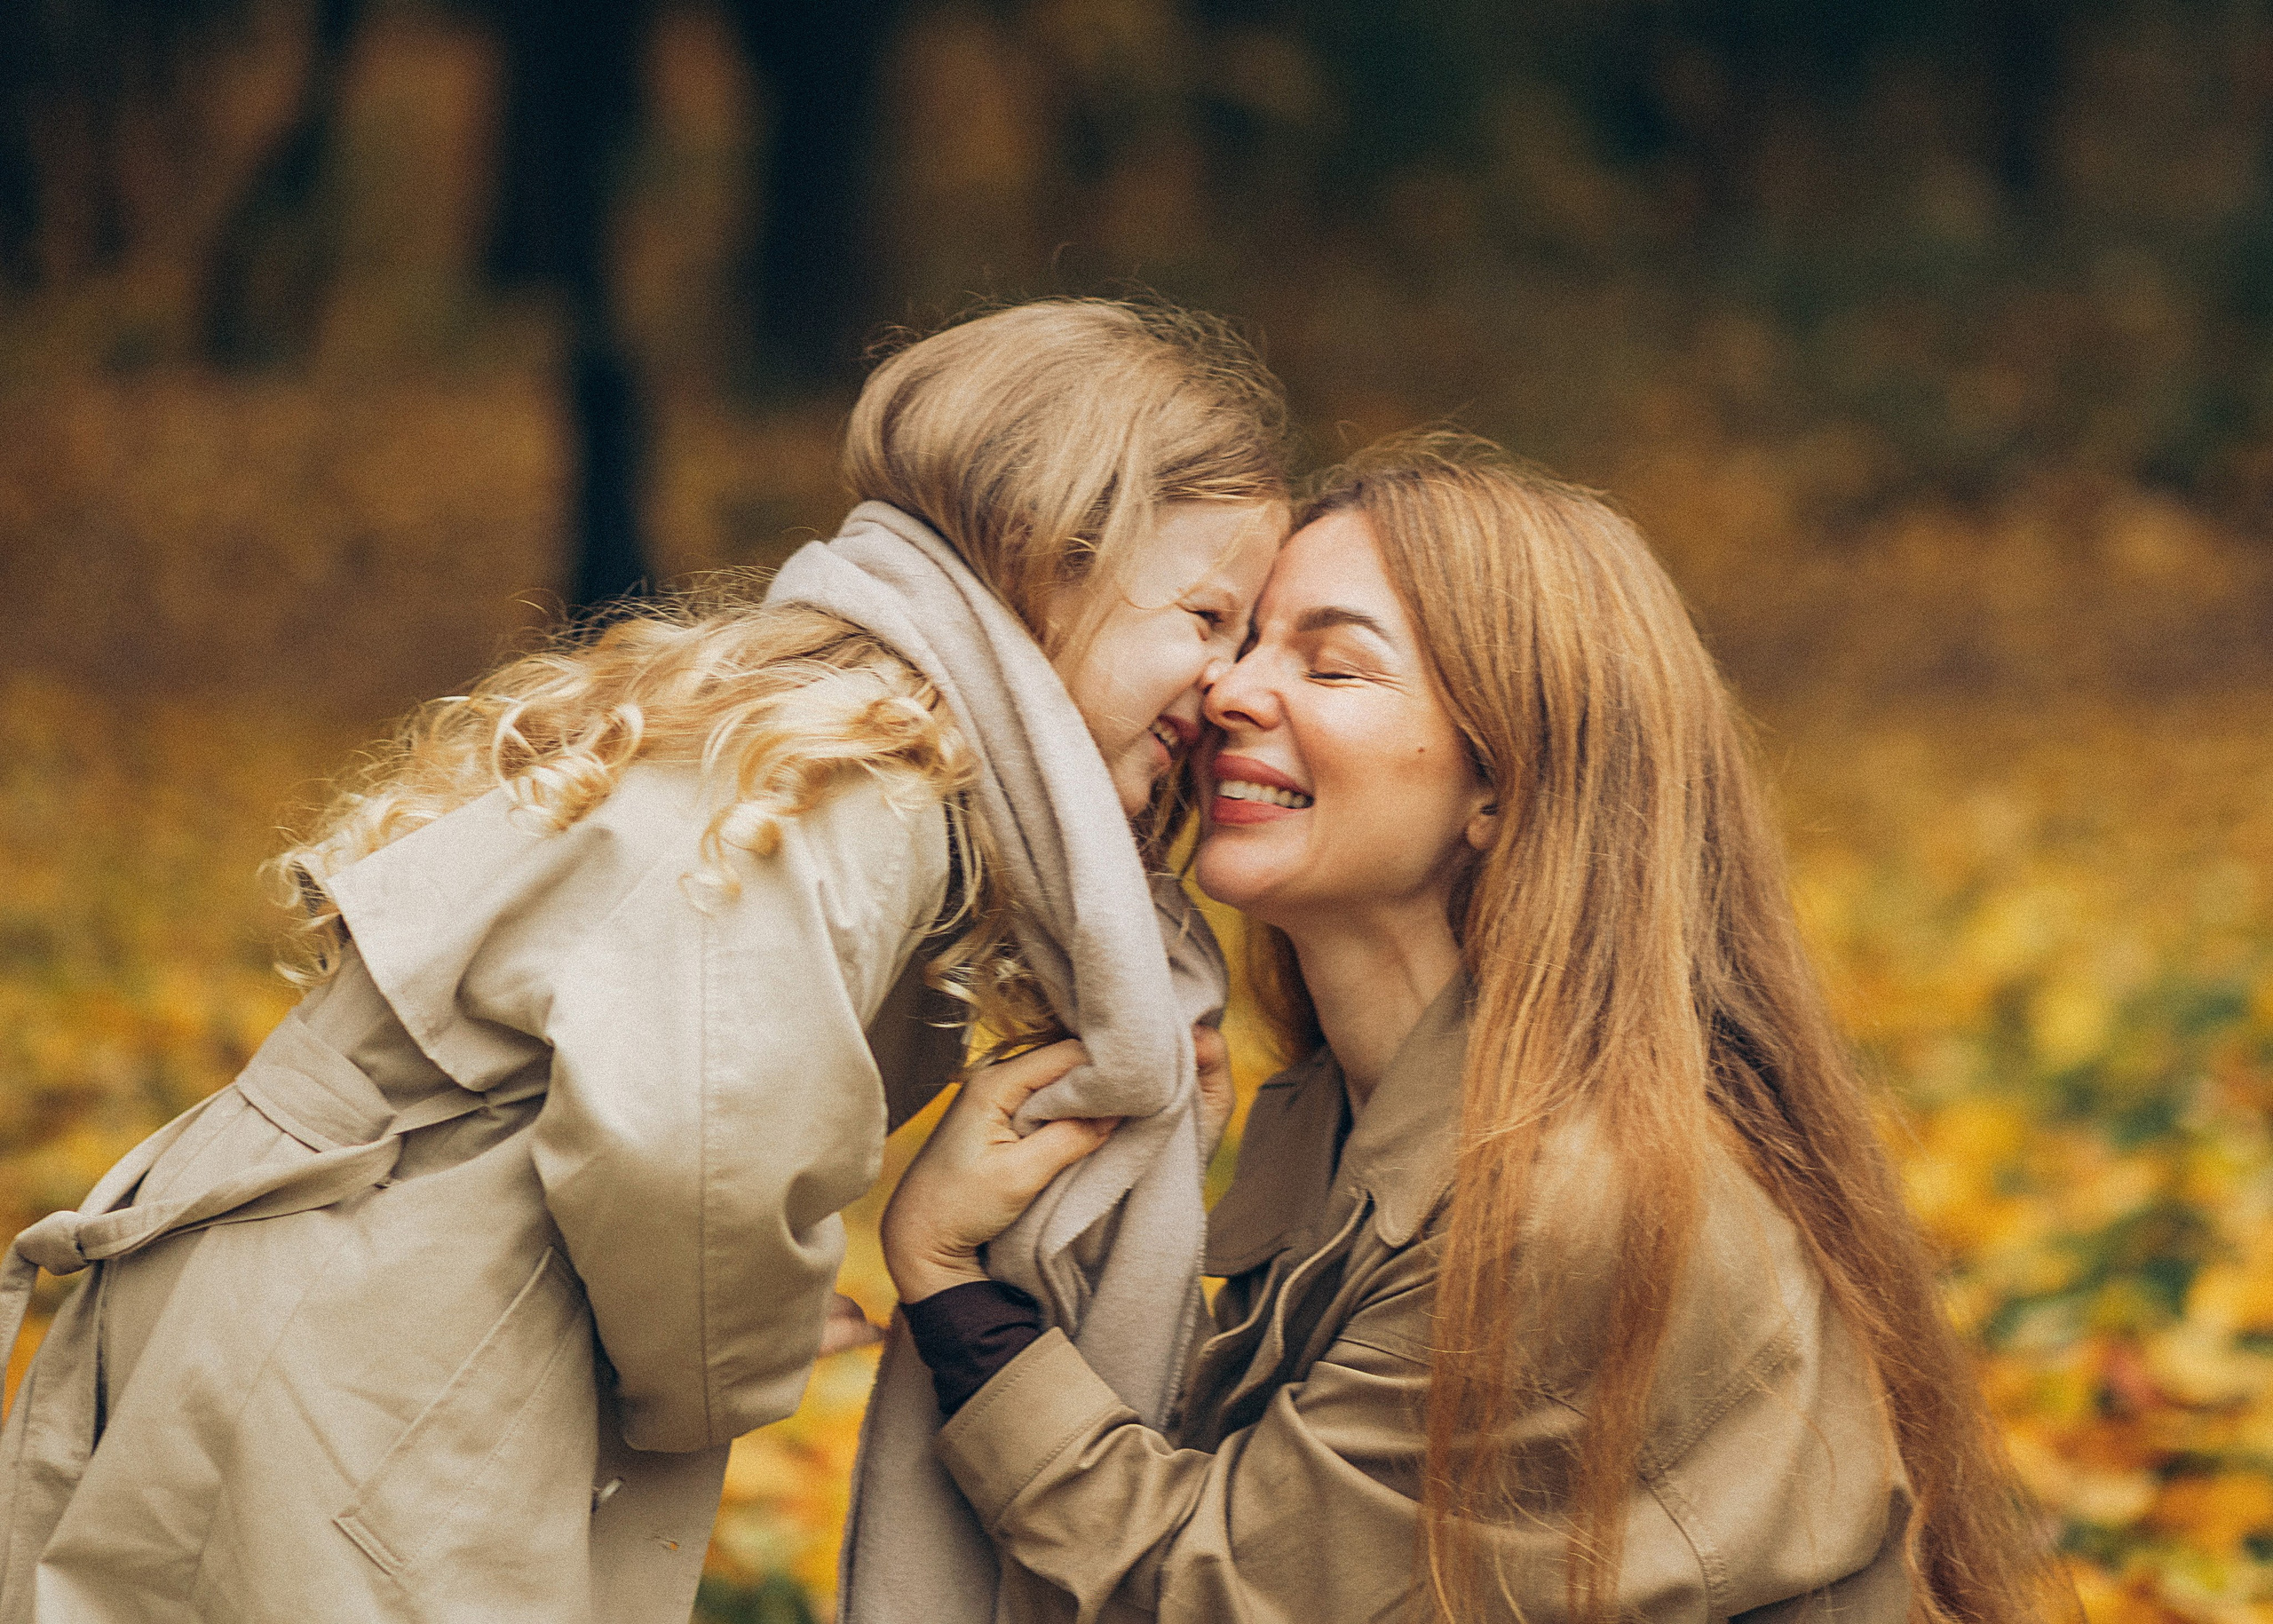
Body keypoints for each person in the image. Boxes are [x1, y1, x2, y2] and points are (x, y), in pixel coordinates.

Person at [0, 297, 1285, 1624]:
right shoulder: (870, 787)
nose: (1228, 682)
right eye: (1209, 615)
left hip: (337, 1311)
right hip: (378, 1369)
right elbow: (694, 1134)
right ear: (1050, 557)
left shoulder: (820, 737)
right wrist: (736, 1344)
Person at [882, 433, 2059, 1623]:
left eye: (1334, 666)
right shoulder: (1356, 1107)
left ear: (1502, 779)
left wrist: (949, 1279)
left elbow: (1224, 1592)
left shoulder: (1570, 1197)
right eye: (1242, 643)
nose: (1228, 691)